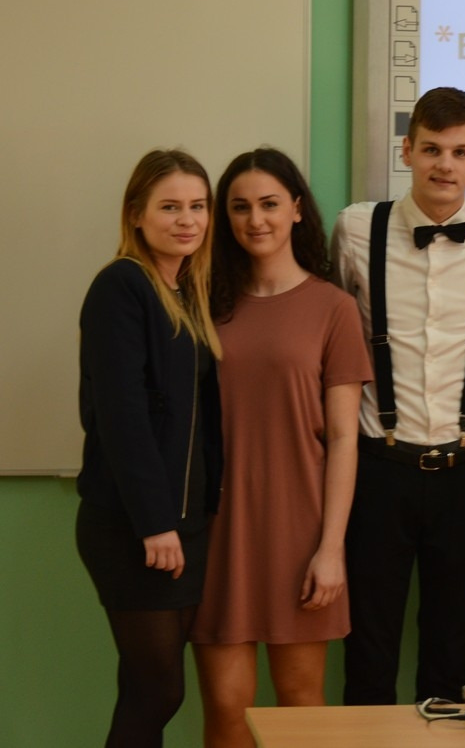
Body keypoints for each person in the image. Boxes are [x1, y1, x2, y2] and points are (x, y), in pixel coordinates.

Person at [332, 87, 465, 704]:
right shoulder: (356, 228)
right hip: (378, 466)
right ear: (406, 149)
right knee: (368, 652)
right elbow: (332, 335)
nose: (445, 164)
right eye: (433, 149)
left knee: (448, 654)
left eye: (460, 151)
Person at [191, 149, 371, 746]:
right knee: (226, 708)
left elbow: (343, 439)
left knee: (300, 708)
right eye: (239, 207)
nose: (255, 219)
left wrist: (331, 548)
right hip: (218, 527)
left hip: (301, 530)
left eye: (269, 204)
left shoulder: (333, 308)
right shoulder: (201, 304)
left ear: (296, 208)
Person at [76, 149, 223, 747]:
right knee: (159, 691)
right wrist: (155, 523)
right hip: (136, 527)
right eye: (170, 207)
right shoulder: (121, 286)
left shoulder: (186, 290)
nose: (187, 220)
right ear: (136, 214)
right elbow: (122, 417)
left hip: (184, 525)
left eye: (198, 206)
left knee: (144, 688)